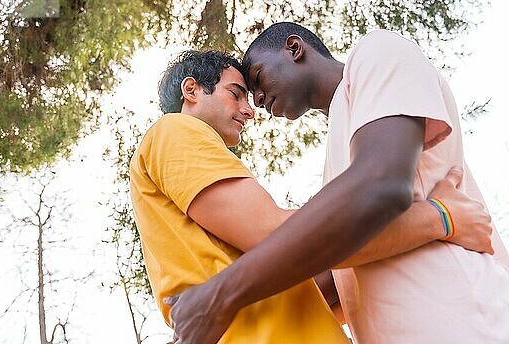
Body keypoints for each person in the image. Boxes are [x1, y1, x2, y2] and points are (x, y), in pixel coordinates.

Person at [129, 50, 493, 343]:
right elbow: (274, 233)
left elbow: (320, 274)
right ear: (191, 91)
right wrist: (440, 217)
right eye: (236, 93)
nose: (249, 109)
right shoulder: (174, 129)